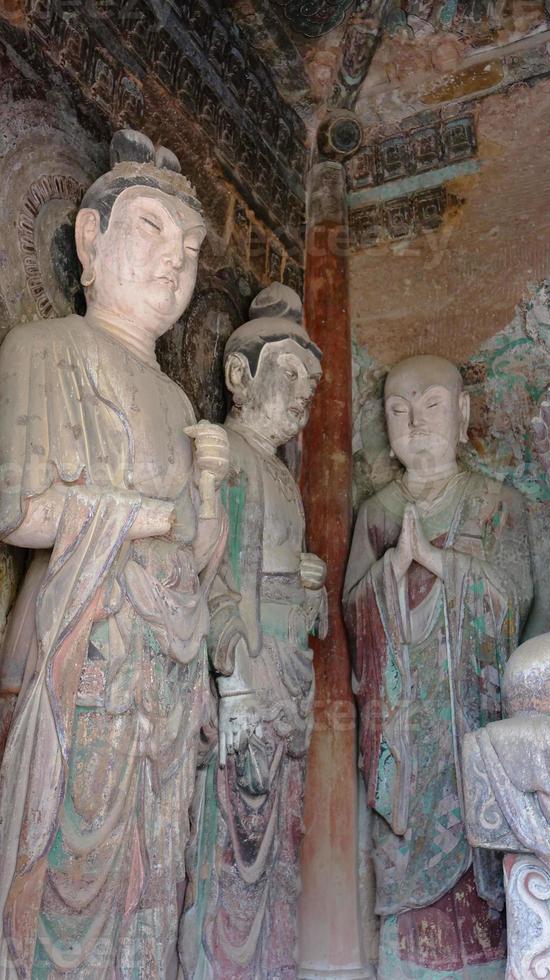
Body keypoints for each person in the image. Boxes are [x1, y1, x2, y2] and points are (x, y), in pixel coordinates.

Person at [0, 129, 229, 980]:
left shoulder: (174, 398)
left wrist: (206, 501)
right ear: (90, 241)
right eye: (151, 228)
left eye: (192, 247)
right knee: (69, 868)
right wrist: (146, 517)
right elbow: (20, 509)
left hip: (165, 673)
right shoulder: (43, 351)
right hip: (83, 654)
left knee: (156, 871)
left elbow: (195, 561)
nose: (176, 259)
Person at [343, 354, 533, 979]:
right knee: (399, 849)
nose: (415, 422)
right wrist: (393, 569)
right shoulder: (375, 512)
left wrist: (444, 565)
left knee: (487, 839)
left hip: (474, 712)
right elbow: (351, 612)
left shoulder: (498, 504)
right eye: (399, 410)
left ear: (463, 416)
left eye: (431, 407)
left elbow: (518, 598)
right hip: (404, 724)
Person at [181, 284, 327, 980]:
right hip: (244, 674)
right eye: (290, 373)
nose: (303, 393)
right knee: (231, 832)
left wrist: (309, 588)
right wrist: (235, 671)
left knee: (279, 845)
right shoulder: (226, 457)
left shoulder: (283, 476)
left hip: (286, 674)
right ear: (240, 376)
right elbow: (208, 571)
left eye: (312, 381)